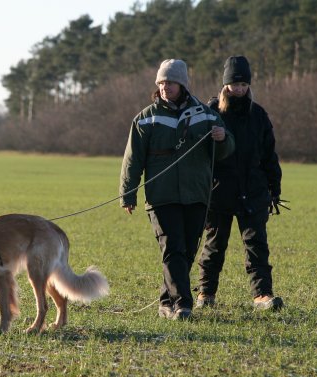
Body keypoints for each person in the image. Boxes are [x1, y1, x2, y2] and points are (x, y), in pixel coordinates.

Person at [119, 59, 235, 320]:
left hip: (197, 194)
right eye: (160, 82)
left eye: (169, 82)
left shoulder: (206, 114)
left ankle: (165, 302)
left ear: (182, 84)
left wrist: (223, 138)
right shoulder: (146, 118)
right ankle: (183, 304)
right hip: (161, 195)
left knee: (186, 251)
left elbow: (226, 151)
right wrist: (128, 193)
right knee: (172, 248)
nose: (164, 87)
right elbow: (132, 159)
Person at [196, 55, 284, 311]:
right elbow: (199, 154)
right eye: (235, 84)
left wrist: (274, 188)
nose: (240, 89)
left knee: (257, 246)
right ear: (225, 85)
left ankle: (262, 295)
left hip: (253, 191)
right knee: (214, 246)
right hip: (219, 191)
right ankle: (206, 294)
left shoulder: (258, 115)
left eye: (244, 84)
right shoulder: (211, 113)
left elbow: (269, 154)